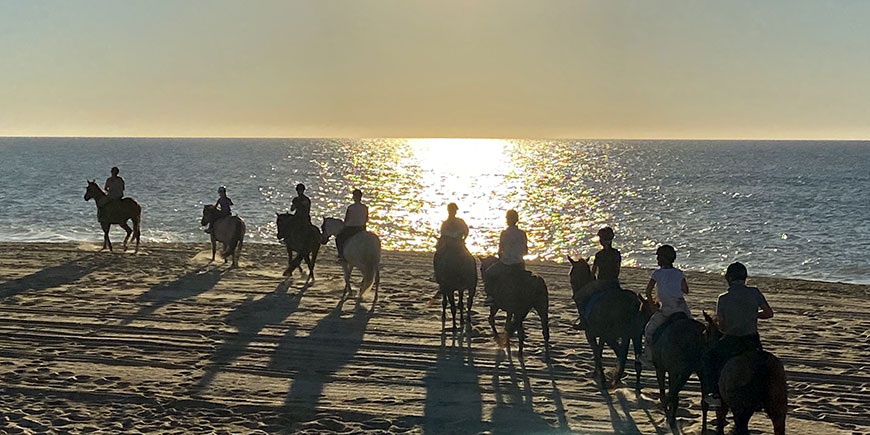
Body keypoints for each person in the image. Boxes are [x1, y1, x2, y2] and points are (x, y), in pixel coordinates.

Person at [703, 262, 774, 407]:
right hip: (752, 339)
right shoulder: (755, 292)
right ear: (745, 278)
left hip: (732, 339)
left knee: (710, 358)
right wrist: (753, 315)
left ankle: (715, 393)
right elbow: (768, 313)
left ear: (728, 278)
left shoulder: (723, 298)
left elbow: (722, 325)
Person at [638, 245, 691, 366]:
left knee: (649, 330)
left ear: (662, 259)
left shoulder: (657, 273)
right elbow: (686, 290)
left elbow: (648, 290)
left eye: (658, 257)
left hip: (666, 308)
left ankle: (649, 357)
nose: (657, 260)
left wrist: (651, 304)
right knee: (691, 324)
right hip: (681, 306)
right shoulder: (679, 273)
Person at [573, 226, 622, 329]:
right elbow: (617, 270)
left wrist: (592, 280)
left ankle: (583, 320)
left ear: (602, 240)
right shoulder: (616, 253)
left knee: (579, 297)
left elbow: (593, 272)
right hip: (615, 282)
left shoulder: (599, 255)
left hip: (602, 283)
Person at [483, 209, 529, 306]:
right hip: (520, 265)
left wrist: (504, 255)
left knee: (488, 274)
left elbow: (500, 251)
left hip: (507, 264)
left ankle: (490, 296)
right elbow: (525, 251)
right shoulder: (522, 233)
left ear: (508, 220)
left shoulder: (504, 233)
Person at [432, 202, 470, 297]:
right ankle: (438, 276)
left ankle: (469, 277)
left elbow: (466, 231)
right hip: (448, 245)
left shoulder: (460, 222)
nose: (451, 212)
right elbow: (443, 234)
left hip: (458, 244)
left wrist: (462, 239)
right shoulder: (445, 223)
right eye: (450, 210)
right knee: (437, 256)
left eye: (453, 211)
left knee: (469, 259)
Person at [336, 189, 368, 261]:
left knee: (339, 238)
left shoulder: (351, 207)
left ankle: (341, 255)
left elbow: (347, 219)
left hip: (352, 228)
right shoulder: (365, 207)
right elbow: (366, 219)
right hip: (361, 228)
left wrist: (345, 226)